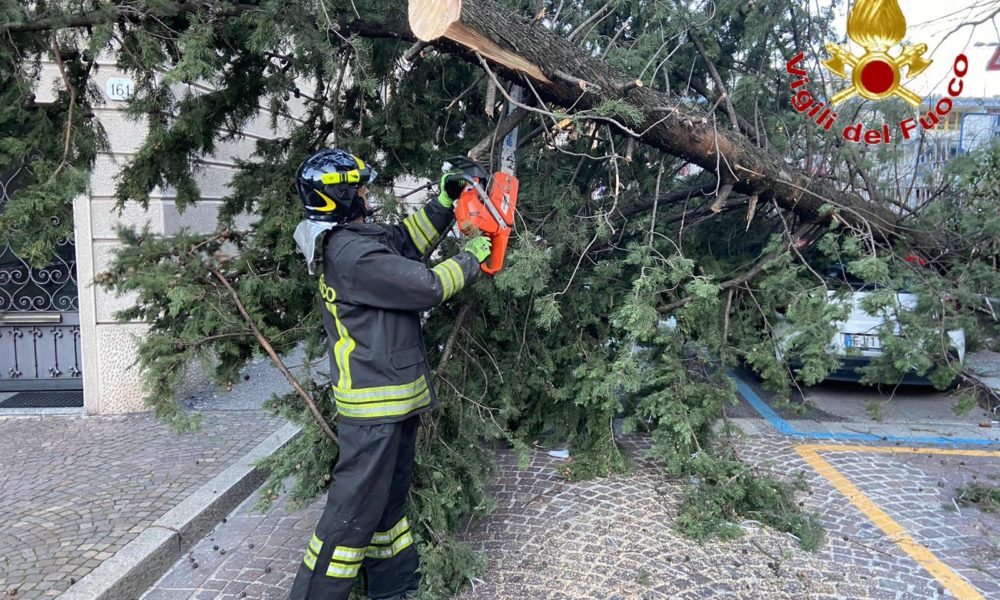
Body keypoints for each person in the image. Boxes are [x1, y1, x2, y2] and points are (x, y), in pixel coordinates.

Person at [289, 148, 491, 600]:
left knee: (387, 517)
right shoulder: (351, 254)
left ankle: (393, 592)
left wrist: (444, 201)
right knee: (347, 523)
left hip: (394, 404)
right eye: (358, 187)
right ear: (338, 198)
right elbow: (427, 285)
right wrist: (471, 258)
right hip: (374, 411)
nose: (365, 193)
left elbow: (403, 242)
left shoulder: (357, 240)